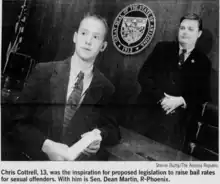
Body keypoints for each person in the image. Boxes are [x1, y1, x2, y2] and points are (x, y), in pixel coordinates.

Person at [10, 13, 120, 161]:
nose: (88, 41)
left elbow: (113, 130)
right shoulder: (43, 72)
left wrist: (99, 135)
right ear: (75, 37)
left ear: (103, 46)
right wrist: (45, 145)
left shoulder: (107, 88)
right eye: (84, 33)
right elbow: (14, 122)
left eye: (96, 37)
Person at [137, 13, 211, 150]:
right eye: (182, 28)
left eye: (190, 29)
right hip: (146, 115)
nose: (184, 32)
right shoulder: (162, 48)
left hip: (174, 126)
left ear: (199, 33)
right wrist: (162, 98)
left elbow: (203, 94)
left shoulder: (203, 62)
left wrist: (181, 100)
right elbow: (143, 75)